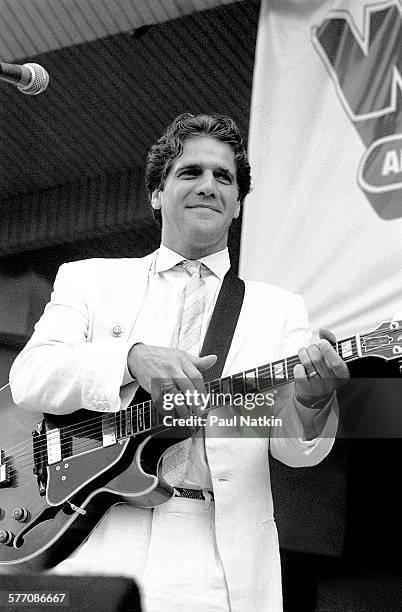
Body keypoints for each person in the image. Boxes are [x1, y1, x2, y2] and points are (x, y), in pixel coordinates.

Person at [9, 113, 349, 612]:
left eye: (224, 178)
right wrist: (130, 359)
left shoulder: (280, 310)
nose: (209, 186)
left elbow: (294, 451)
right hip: (89, 537)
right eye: (190, 173)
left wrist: (314, 402)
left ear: (237, 206)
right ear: (157, 193)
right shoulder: (89, 280)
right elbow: (30, 379)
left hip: (214, 555)